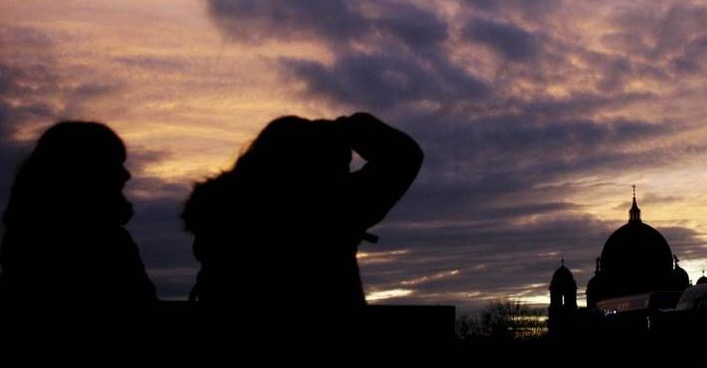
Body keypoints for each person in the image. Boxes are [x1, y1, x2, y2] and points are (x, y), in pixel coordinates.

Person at [182, 112, 423, 308]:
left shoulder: (221, 215)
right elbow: (404, 155)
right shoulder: (329, 210)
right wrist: (345, 128)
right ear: (321, 168)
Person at [0, 121, 156, 305]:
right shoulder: (104, 241)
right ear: (85, 170)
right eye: (114, 163)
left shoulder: (24, 236)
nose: (126, 175)